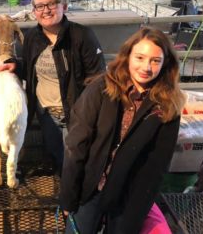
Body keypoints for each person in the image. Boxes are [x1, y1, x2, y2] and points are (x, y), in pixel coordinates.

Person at [60, 27, 186, 234]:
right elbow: (76, 146)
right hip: (89, 189)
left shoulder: (167, 103)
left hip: (129, 194)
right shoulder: (100, 88)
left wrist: (138, 208)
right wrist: (68, 197)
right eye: (140, 57)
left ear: (166, 64)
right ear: (127, 56)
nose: (146, 67)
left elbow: (158, 165)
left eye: (156, 60)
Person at [11, 0, 105, 175]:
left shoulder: (82, 36)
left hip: (75, 114)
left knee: (76, 161)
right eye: (39, 6)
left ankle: (75, 199)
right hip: (46, 111)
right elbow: (30, 70)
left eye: (51, 4)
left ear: (64, 6)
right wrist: (12, 66)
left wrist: (87, 114)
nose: (45, 10)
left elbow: (97, 79)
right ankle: (63, 192)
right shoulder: (31, 38)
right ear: (33, 10)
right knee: (56, 155)